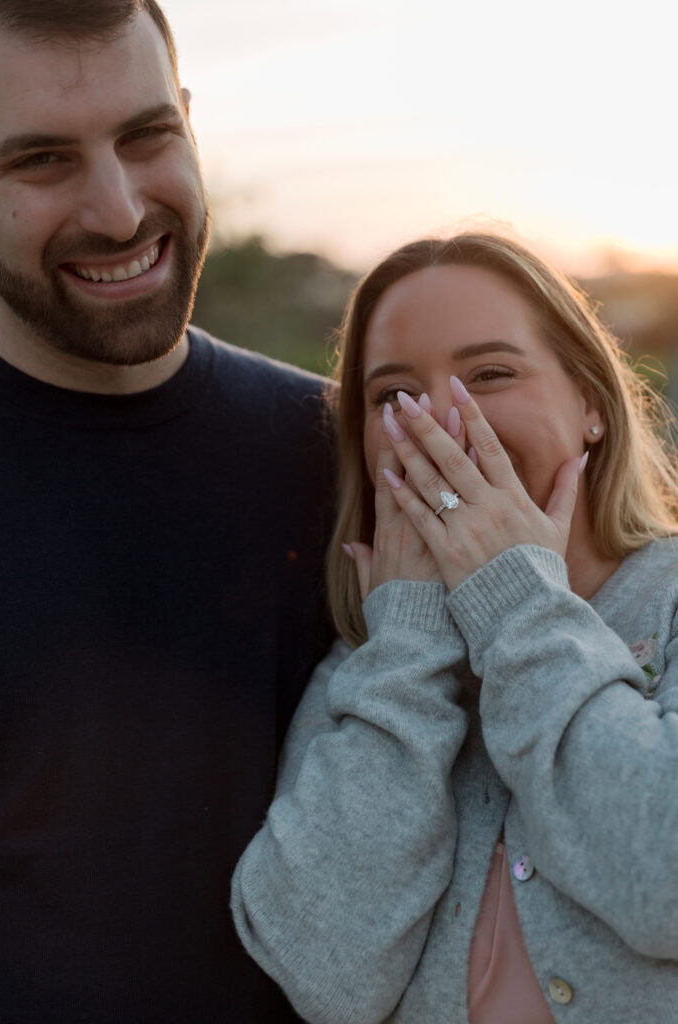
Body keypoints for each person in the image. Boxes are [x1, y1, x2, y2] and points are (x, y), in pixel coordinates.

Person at [232, 233, 678, 1023]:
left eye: (490, 374)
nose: (438, 417)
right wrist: (407, 648)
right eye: (390, 396)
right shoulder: (370, 664)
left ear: (591, 408)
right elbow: (324, 977)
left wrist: (510, 598)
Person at [0, 2, 334, 1021]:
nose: (117, 210)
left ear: (189, 120)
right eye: (41, 162)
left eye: (147, 137)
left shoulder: (340, 453)